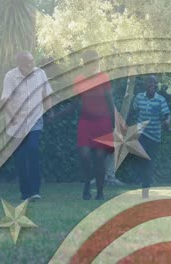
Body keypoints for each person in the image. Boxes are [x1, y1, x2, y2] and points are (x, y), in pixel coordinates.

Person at [1, 51, 53, 201]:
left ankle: (35, 191)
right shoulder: (11, 76)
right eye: (27, 63)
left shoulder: (40, 73)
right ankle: (25, 193)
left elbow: (47, 94)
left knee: (33, 151)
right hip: (16, 124)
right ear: (20, 65)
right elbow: (4, 99)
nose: (31, 65)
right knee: (21, 158)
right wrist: (13, 117)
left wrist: (49, 112)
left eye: (32, 61)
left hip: (35, 120)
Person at [73, 50, 115, 200]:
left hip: (103, 122)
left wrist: (114, 125)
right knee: (84, 155)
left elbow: (110, 101)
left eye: (96, 61)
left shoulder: (104, 77)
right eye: (91, 61)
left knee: (99, 157)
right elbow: (76, 102)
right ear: (85, 63)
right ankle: (86, 185)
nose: (94, 64)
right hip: (86, 122)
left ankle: (100, 192)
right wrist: (57, 115)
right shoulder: (79, 79)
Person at [132, 75, 171, 198]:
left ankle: (145, 189)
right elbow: (133, 112)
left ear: (157, 86)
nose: (152, 85)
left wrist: (167, 121)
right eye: (150, 82)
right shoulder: (139, 97)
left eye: (155, 83)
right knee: (142, 159)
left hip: (154, 136)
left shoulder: (161, 100)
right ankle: (143, 181)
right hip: (141, 134)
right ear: (145, 84)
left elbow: (167, 114)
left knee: (149, 162)